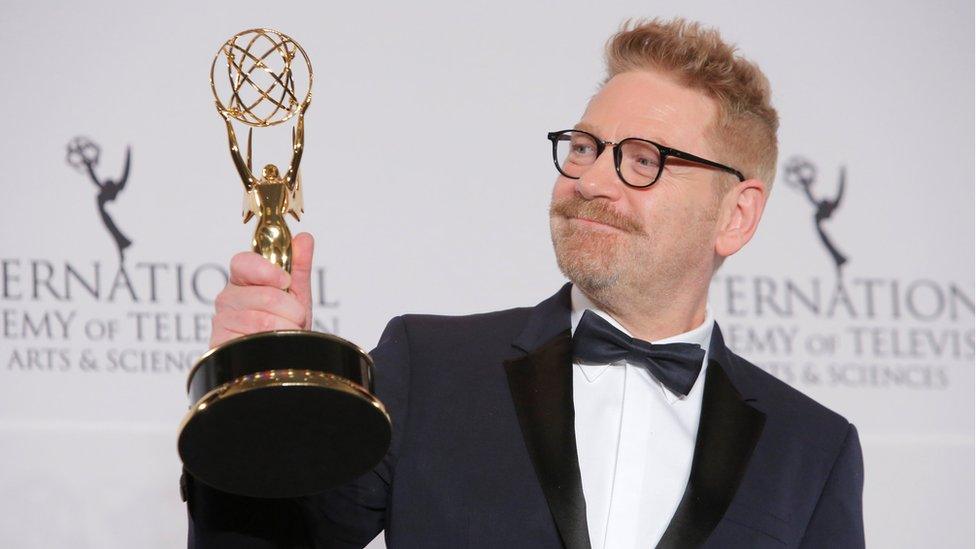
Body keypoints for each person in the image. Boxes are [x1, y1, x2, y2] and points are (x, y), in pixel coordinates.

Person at [185, 18, 864, 548]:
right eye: (584, 147)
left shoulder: (811, 448)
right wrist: (252, 400)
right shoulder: (430, 368)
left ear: (736, 214)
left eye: (643, 160)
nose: (591, 181)